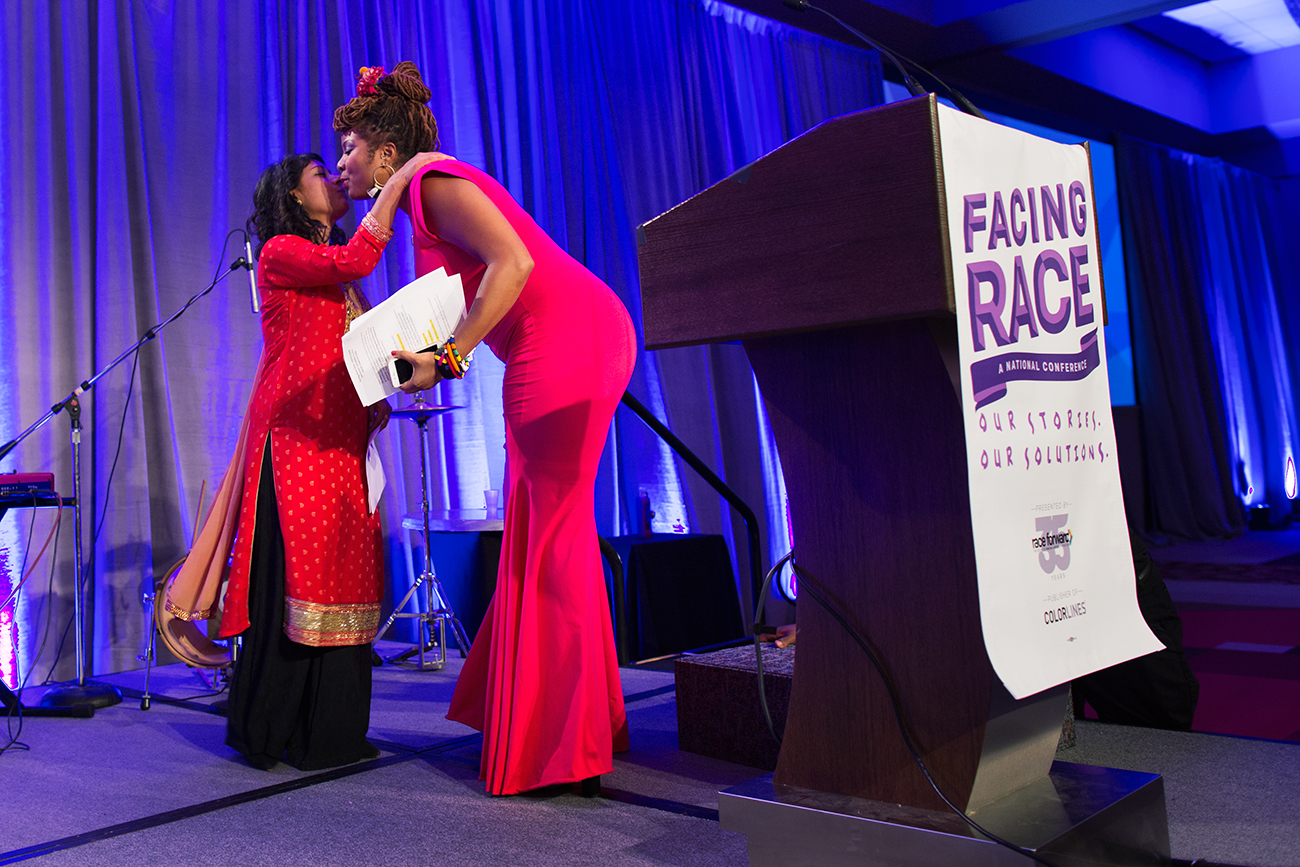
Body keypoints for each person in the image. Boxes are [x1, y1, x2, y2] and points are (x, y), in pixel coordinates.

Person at [332, 62, 637, 796]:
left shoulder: (433, 186)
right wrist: (432, 354)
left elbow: (515, 261)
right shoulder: (424, 200)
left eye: (348, 147)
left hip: (564, 338)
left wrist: (449, 358)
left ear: (382, 151)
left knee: (554, 535)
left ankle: (569, 746)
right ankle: (575, 730)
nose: (340, 163)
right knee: (546, 528)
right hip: (562, 338)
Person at [160, 149, 439, 770]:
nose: (338, 177)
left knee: (344, 578)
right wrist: (396, 186)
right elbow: (358, 254)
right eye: (322, 173)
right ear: (291, 196)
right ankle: (272, 728)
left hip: (338, 441)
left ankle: (328, 734)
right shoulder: (286, 252)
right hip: (293, 443)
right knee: (292, 581)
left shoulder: (340, 282)